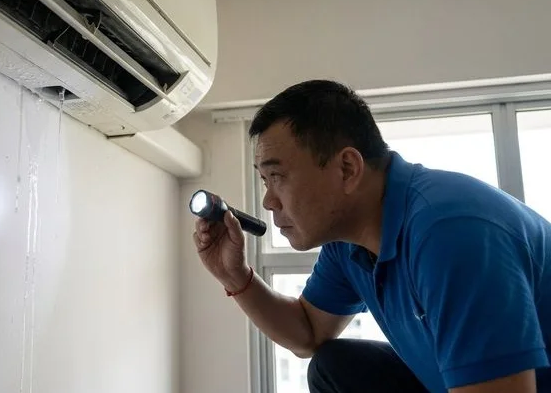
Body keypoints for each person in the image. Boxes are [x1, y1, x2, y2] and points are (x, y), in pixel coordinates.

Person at [193, 79, 551, 393]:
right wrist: (236, 277)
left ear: (347, 168)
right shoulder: (348, 241)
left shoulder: (451, 234)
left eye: (278, 177)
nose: (269, 201)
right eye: (264, 181)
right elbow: (309, 333)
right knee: (335, 366)